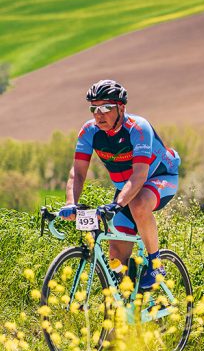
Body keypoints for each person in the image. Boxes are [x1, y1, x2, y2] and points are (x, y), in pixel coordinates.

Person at [60, 79, 181, 289]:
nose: (99, 114)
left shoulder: (138, 128)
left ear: (121, 108)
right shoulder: (89, 132)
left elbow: (139, 175)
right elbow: (77, 173)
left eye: (106, 108)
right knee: (116, 254)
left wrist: (117, 204)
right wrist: (71, 203)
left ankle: (156, 264)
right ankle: (125, 298)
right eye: (94, 108)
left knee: (138, 203)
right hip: (127, 188)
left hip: (159, 177)